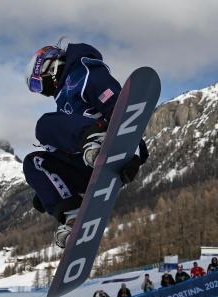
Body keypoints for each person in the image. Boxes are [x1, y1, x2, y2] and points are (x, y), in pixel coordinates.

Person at [23, 41, 149, 248]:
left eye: (37, 84)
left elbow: (121, 111)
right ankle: (73, 217)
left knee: (44, 124)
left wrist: (133, 152)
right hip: (86, 161)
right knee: (34, 163)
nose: (42, 91)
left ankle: (97, 140)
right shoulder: (64, 99)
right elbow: (63, 143)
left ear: (47, 67)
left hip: (110, 142)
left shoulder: (85, 73)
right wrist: (47, 190)